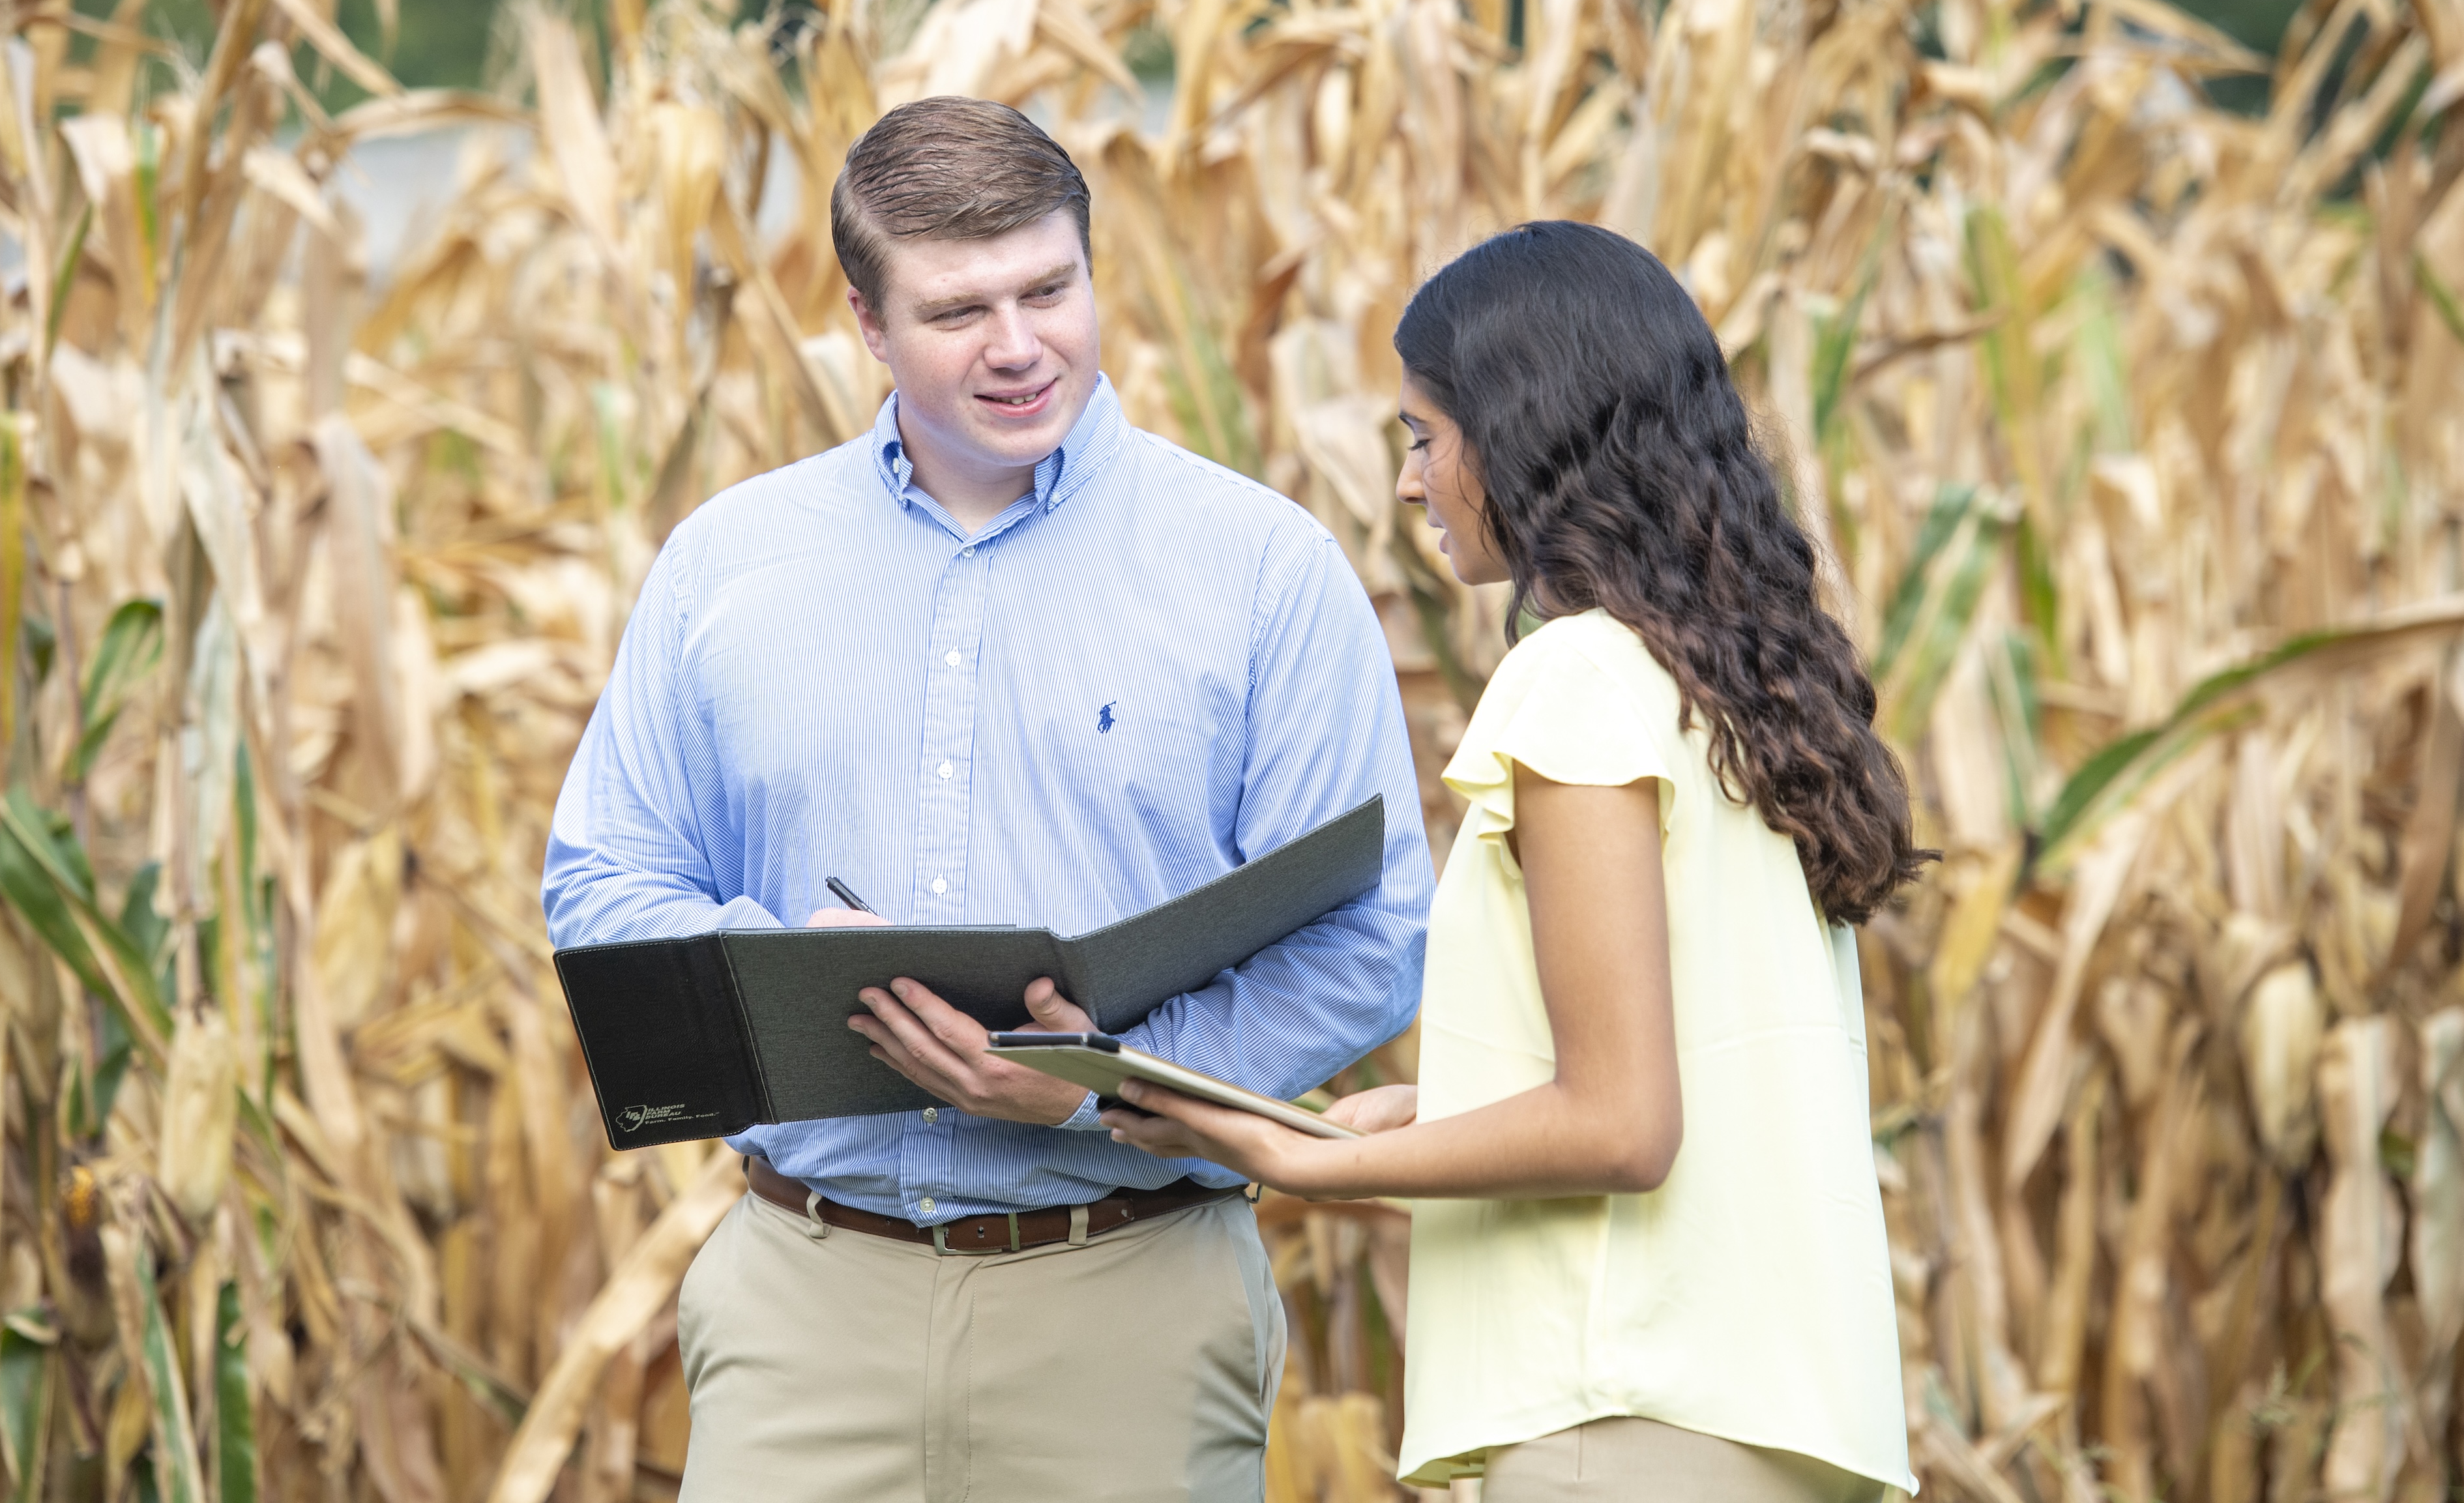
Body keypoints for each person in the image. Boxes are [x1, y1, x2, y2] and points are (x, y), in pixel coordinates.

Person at [540, 95, 1435, 1502]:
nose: (1018, 345)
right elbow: (603, 875)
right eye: (958, 310)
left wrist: (1099, 1086)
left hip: (1128, 1297)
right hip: (805, 1305)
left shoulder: (1264, 568)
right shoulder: (729, 564)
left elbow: (1367, 938)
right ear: (865, 321)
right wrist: (784, 967)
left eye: (1048, 288)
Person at [1107, 220, 1922, 1501]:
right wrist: (1431, 1103)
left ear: (1523, 433)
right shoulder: (1735, 694)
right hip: (1770, 1425)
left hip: (1621, 1418)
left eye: (1423, 436)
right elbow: (1687, 1059)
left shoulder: (1576, 678)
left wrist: (1311, 1158)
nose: (1408, 482)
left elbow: (1618, 1121)